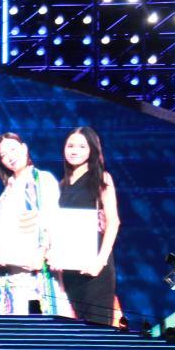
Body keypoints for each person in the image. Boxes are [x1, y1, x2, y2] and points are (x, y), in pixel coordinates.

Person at [0, 132, 70, 316]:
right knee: (16, 326)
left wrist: (42, 250)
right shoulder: (4, 196)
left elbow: (51, 219)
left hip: (38, 270)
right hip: (10, 273)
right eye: (3, 155)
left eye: (13, 149)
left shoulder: (43, 180)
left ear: (24, 148)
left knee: (44, 323)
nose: (10, 157)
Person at [57, 127, 120, 325]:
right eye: (70, 146)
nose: (74, 151)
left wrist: (99, 262)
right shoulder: (61, 185)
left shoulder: (102, 178)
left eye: (82, 146)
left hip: (95, 267)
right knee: (77, 329)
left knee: (99, 330)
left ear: (92, 149)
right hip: (69, 268)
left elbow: (113, 222)